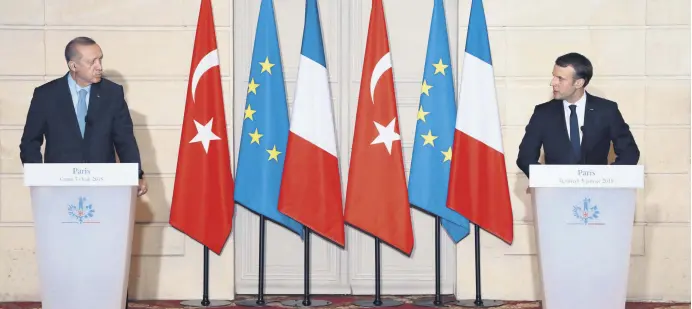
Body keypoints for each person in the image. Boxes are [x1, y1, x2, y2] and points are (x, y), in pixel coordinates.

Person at [19, 36, 147, 196]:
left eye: (100, 60)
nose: (99, 67)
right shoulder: (46, 95)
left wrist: (137, 174)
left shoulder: (112, 93)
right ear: (73, 65)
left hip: (103, 187)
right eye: (92, 62)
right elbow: (29, 142)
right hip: (58, 189)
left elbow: (125, 140)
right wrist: (39, 179)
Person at [516, 52, 640, 178]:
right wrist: (545, 181)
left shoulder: (607, 110)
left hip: (597, 194)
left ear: (579, 83)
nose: (553, 83)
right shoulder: (543, 113)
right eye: (554, 77)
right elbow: (525, 158)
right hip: (556, 194)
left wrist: (607, 179)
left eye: (560, 78)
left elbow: (629, 153)